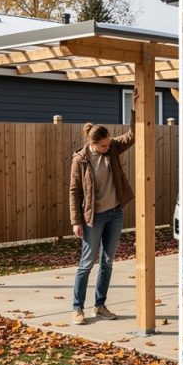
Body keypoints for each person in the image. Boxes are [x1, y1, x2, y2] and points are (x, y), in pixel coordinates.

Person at [69, 110, 136, 325]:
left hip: (115, 213)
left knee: (107, 262)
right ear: (93, 143)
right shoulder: (80, 160)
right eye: (103, 146)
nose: (108, 148)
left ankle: (100, 305)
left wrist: (135, 109)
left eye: (109, 144)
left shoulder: (113, 147)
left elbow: (132, 135)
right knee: (87, 263)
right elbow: (74, 192)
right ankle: (77, 308)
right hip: (94, 218)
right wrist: (76, 221)